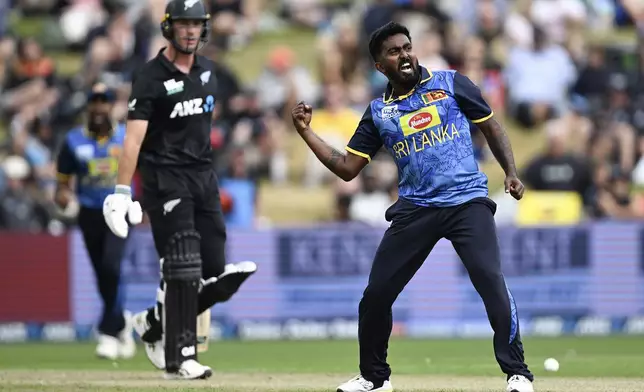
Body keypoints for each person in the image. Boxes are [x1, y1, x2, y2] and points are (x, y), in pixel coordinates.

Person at [291, 22, 535, 392]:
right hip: (416, 208)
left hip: (466, 200)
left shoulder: (452, 83)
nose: (404, 54)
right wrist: (307, 132)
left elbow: (492, 126)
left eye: (406, 47)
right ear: (379, 66)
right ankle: (375, 379)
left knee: (489, 281)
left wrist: (511, 173)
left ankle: (517, 373)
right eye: (393, 51)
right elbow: (347, 168)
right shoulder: (378, 113)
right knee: (376, 295)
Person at [102, 0, 257, 380]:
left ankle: (154, 322)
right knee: (183, 268)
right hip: (164, 179)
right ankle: (180, 358)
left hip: (203, 178)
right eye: (183, 24)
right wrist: (122, 191)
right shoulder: (150, 76)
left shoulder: (209, 72)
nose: (190, 31)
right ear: (169, 27)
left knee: (216, 277)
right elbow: (133, 140)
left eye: (196, 24)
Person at [55, 82, 136, 361]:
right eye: (95, 100)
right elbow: (62, 183)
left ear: (113, 105)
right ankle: (121, 322)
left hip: (121, 210)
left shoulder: (126, 137)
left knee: (113, 267)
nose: (99, 106)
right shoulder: (73, 141)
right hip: (89, 212)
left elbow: (146, 169)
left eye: (105, 100)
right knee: (103, 274)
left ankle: (108, 332)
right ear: (88, 105)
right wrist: (64, 198)